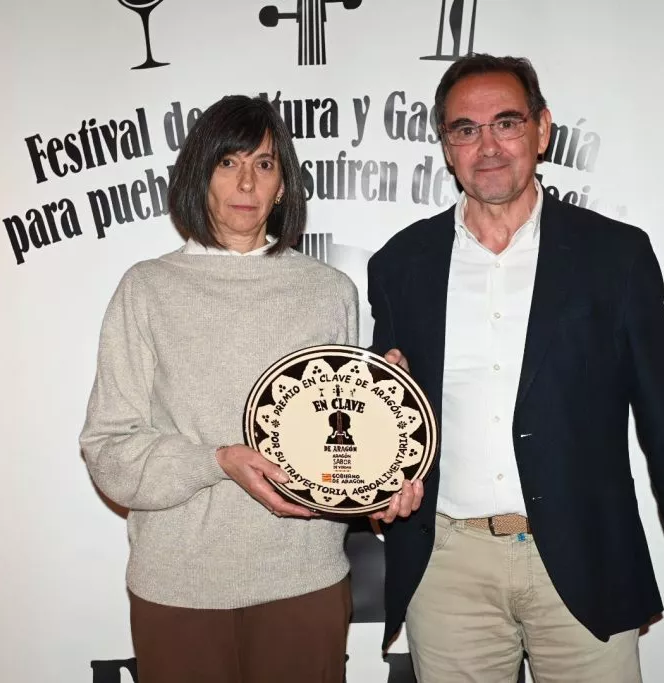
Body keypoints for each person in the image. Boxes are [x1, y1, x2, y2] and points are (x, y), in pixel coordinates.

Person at [368, 55, 664, 682]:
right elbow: (385, 414)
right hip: (448, 565)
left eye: (506, 123)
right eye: (465, 129)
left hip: (587, 554)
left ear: (542, 129)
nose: (487, 146)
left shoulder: (615, 255)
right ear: (446, 146)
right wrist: (375, 482)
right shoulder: (400, 264)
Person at [80, 94, 415, 683]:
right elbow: (109, 450)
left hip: (304, 581)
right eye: (228, 161)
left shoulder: (329, 291)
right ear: (199, 176)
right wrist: (218, 461)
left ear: (283, 185)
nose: (246, 181)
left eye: (264, 164)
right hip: (178, 587)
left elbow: (343, 444)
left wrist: (389, 443)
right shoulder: (147, 289)